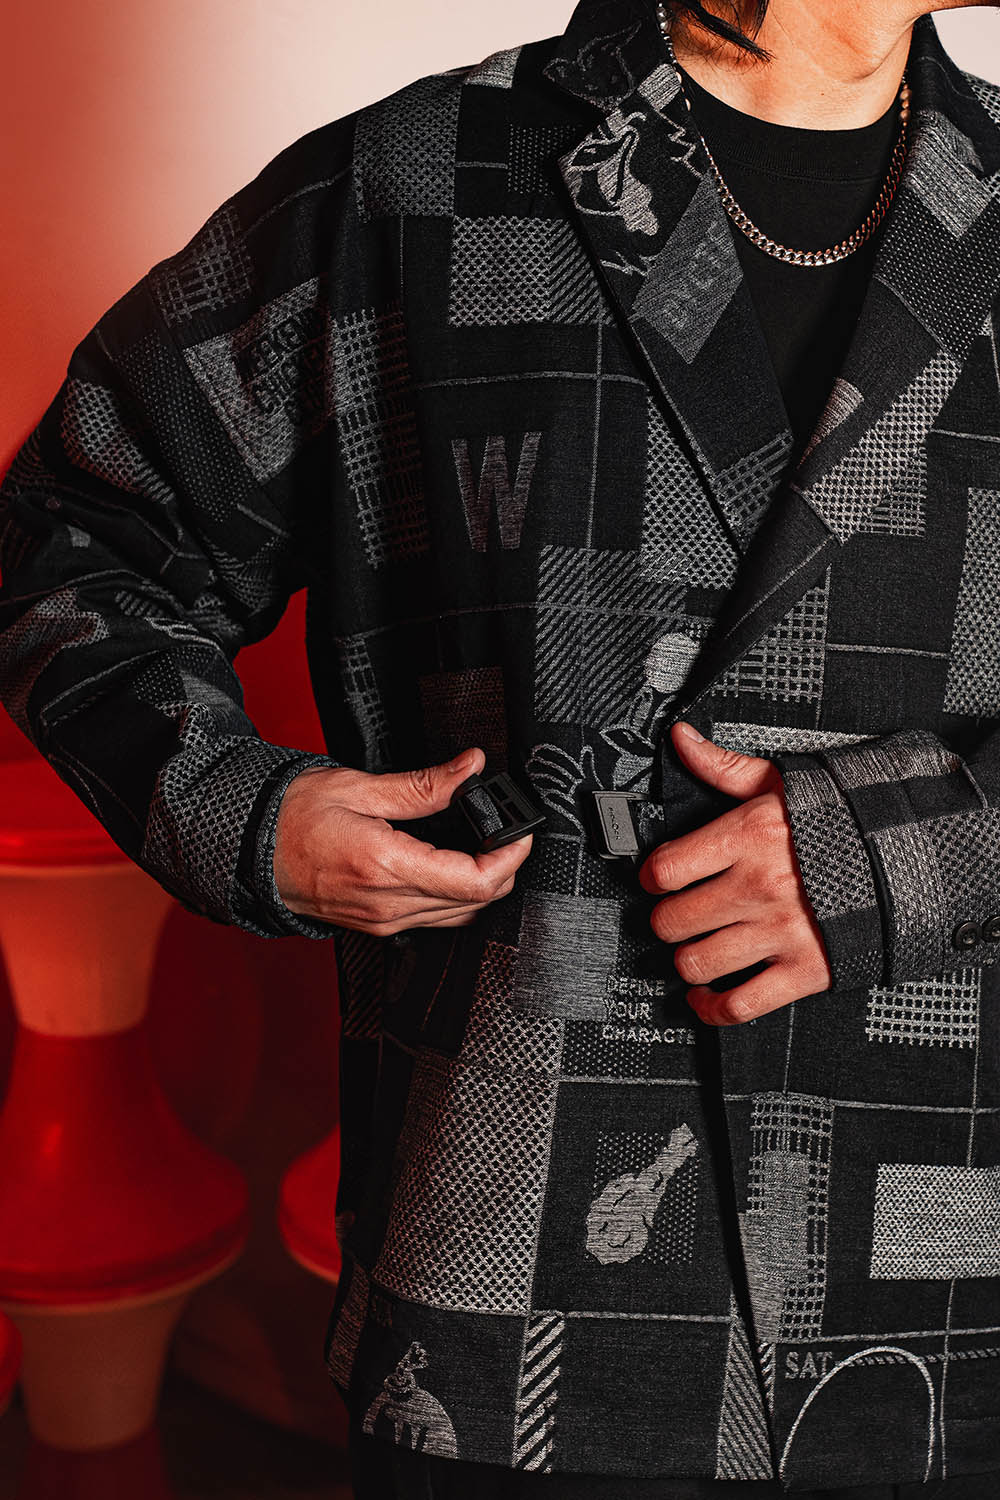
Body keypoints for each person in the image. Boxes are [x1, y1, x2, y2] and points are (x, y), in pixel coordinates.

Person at [1, 0, 999, 1493]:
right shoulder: (416, 185)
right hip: (514, 1272)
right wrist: (245, 814)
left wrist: (913, 853)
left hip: (955, 1270)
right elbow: (73, 538)